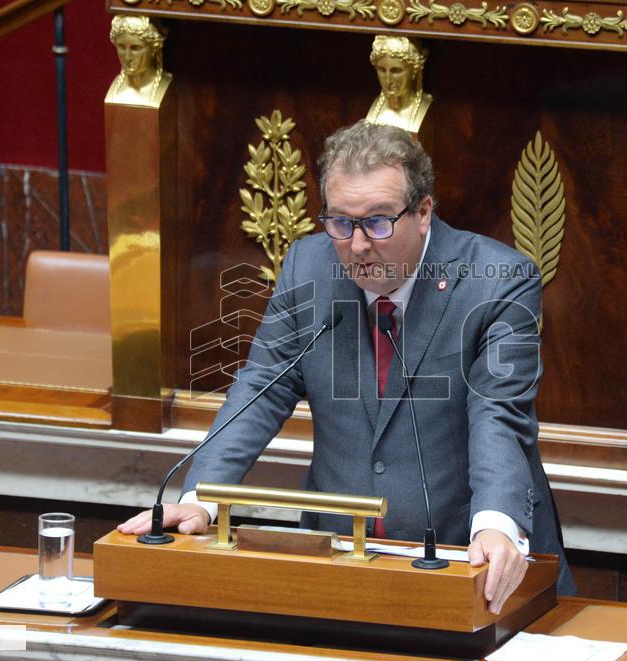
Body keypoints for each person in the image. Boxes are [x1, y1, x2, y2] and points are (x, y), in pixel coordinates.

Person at [119, 120, 576, 609]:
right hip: (339, 559)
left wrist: (496, 523)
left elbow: (499, 415)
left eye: (378, 222)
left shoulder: (498, 282)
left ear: (423, 212)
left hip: (466, 557)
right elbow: (261, 388)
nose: (358, 246)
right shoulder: (308, 267)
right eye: (341, 223)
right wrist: (200, 499)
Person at [364, 36, 433, 134]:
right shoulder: (373, 109)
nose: (388, 80)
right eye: (382, 70)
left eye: (396, 71)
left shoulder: (427, 107)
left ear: (414, 70)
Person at [106, 15, 171, 107]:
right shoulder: (114, 92)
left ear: (154, 49)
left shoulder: (166, 84)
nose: (128, 57)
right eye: (121, 47)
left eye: (135, 48)